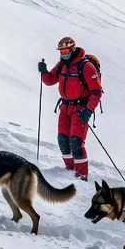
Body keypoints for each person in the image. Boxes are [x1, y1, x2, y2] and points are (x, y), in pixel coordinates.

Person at [39, 36, 103, 180]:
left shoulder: (85, 66)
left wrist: (88, 110)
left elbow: (97, 91)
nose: (64, 53)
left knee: (76, 142)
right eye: (61, 51)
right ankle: (70, 170)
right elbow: (50, 81)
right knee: (63, 140)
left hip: (80, 109)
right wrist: (44, 72)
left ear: (73, 49)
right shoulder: (62, 65)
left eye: (66, 50)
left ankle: (81, 175)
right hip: (65, 107)